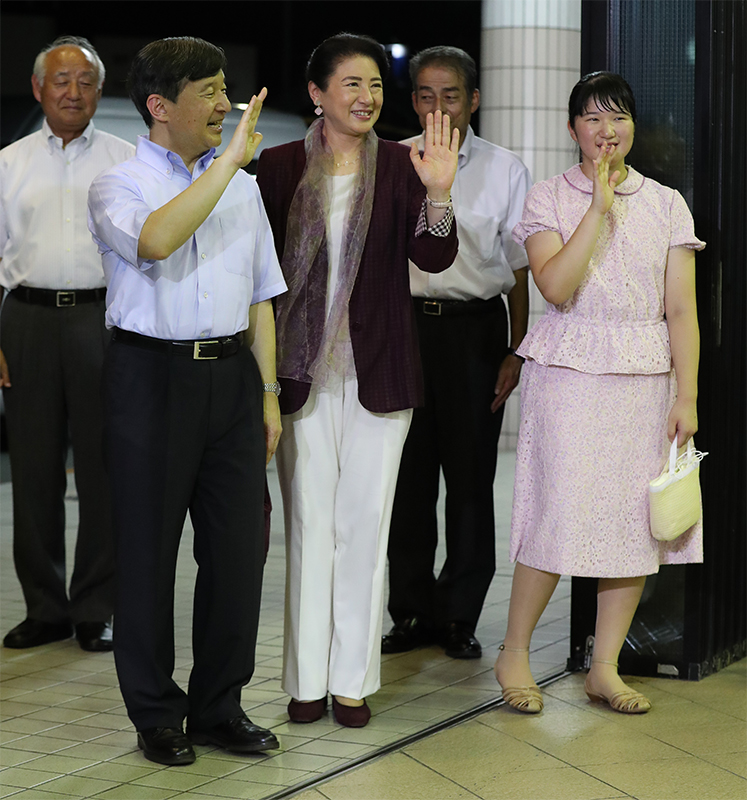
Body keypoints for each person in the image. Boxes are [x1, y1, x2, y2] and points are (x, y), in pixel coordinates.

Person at [87, 37, 286, 766]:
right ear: (159, 106)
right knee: (146, 556)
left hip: (233, 378)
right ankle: (156, 715)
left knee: (237, 555)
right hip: (150, 378)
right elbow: (157, 240)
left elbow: (264, 295)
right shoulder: (118, 184)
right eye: (208, 90)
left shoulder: (244, 185)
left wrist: (266, 396)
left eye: (226, 86)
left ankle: (218, 708)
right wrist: (227, 164)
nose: (225, 104)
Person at [256, 33, 459, 728]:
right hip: (299, 373)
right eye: (350, 84)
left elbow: (434, 255)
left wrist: (439, 193)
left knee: (364, 528)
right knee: (310, 527)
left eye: (374, 85)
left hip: (380, 374)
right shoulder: (277, 168)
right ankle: (305, 681)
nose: (366, 97)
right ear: (316, 93)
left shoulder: (405, 167)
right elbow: (258, 274)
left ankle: (351, 683)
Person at [493, 72, 704, 715]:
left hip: (644, 379)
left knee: (629, 528)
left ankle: (604, 669)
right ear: (572, 130)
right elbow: (554, 287)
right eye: (592, 118)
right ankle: (515, 656)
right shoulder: (548, 197)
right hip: (569, 375)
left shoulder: (667, 202)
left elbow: (682, 312)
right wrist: (598, 208)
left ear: (634, 127)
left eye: (618, 118)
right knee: (555, 514)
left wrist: (687, 396)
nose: (606, 130)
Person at [383, 46, 532, 660]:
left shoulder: (505, 169)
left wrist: (516, 351)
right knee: (407, 481)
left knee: (471, 480)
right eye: (424, 94)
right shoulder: (391, 161)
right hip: (407, 329)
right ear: (412, 100)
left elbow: (521, 269)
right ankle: (411, 613)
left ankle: (459, 616)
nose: (436, 106)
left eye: (450, 95)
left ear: (474, 99)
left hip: (475, 333)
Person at [0, 36, 134, 653]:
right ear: (38, 88)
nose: (73, 91)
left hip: (99, 321)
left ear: (99, 90)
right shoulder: (9, 162)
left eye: (85, 81)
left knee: (104, 469)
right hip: (25, 322)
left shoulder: (125, 159)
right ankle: (45, 608)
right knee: (31, 469)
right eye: (61, 80)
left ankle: (94, 608)